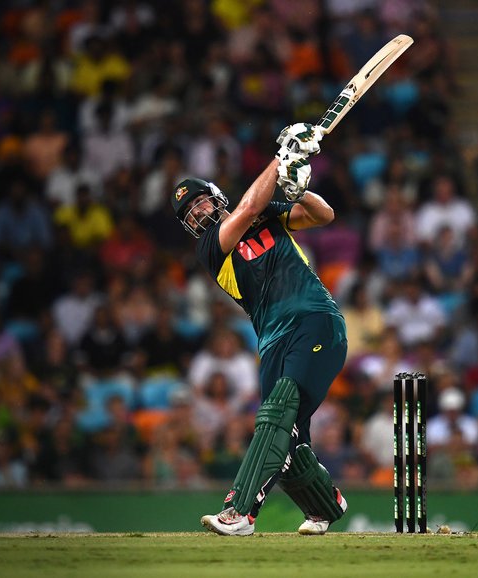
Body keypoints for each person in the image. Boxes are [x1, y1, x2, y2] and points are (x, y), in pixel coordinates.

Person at [171, 123, 348, 536]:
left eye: (199, 201)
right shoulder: (211, 247)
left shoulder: (269, 213)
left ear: (216, 196)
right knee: (286, 441)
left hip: (315, 321)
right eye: (189, 213)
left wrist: (297, 189)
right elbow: (249, 208)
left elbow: (324, 215)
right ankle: (326, 504)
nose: (197, 212)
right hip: (272, 342)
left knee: (275, 416)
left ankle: (240, 512)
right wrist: (281, 158)